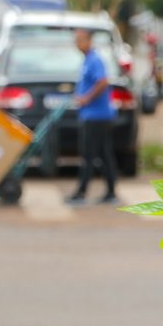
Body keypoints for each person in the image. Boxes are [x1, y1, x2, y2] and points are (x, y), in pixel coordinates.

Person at [67, 29, 118, 204]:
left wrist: (86, 98)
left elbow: (103, 81)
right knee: (104, 153)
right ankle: (111, 191)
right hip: (92, 115)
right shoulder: (87, 59)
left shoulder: (95, 59)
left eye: (80, 40)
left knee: (89, 155)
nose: (77, 44)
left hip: (96, 116)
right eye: (76, 41)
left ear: (88, 41)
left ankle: (81, 192)